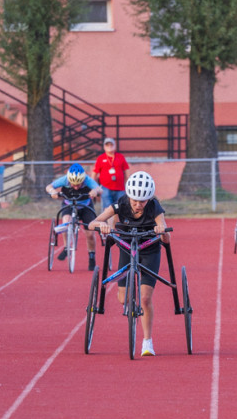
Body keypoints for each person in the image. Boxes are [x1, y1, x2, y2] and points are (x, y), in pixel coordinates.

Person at [88, 171, 169, 357]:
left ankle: (147, 342)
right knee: (123, 299)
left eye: (142, 201)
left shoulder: (155, 207)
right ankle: (130, 302)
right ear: (129, 197)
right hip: (126, 247)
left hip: (149, 249)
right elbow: (93, 222)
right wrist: (103, 225)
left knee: (146, 298)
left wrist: (161, 230)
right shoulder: (121, 204)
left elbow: (166, 237)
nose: (138, 205)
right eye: (135, 201)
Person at [46, 163, 102, 270]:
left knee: (90, 234)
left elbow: (99, 189)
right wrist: (52, 191)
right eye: (73, 184)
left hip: (85, 206)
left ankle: (91, 256)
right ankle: (67, 247)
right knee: (65, 222)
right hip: (69, 204)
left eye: (79, 184)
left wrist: (95, 191)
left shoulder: (87, 180)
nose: (76, 187)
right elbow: (49, 186)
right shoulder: (64, 179)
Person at [91, 137, 130, 212]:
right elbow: (94, 173)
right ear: (104, 147)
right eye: (107, 145)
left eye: (111, 145)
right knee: (107, 209)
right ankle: (108, 224)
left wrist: (128, 185)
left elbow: (127, 171)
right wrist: (93, 187)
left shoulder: (120, 157)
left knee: (121, 208)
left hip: (120, 188)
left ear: (115, 146)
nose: (109, 146)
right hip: (105, 188)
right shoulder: (101, 158)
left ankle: (118, 223)